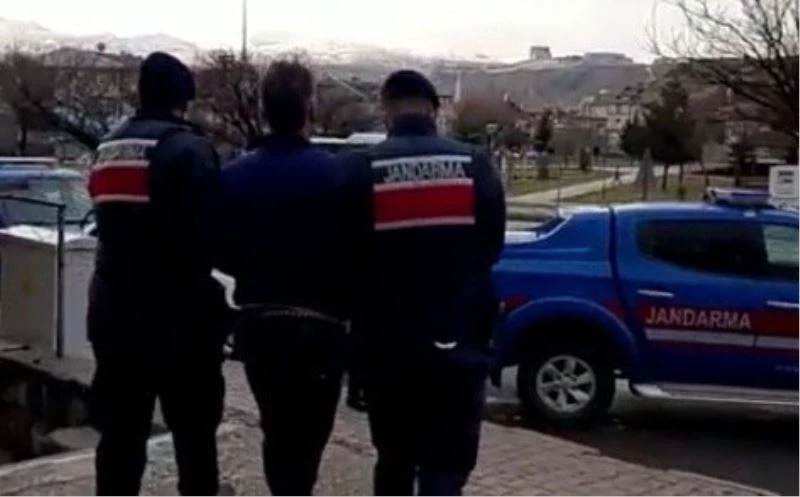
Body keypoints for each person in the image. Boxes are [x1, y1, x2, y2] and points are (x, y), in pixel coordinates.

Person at [339, 70, 506, 496]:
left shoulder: (361, 169)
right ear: (434, 110)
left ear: (386, 110)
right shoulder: (475, 165)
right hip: (458, 344)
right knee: (446, 466)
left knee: (394, 460)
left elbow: (347, 261)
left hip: (388, 350)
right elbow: (491, 247)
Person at [86, 52, 228, 496]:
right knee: (195, 438)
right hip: (178, 319)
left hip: (114, 313)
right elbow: (210, 234)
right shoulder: (188, 149)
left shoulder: (108, 148)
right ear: (182, 100)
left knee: (120, 438)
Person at [216, 58, 352, 496]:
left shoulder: (232, 178)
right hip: (322, 328)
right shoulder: (340, 176)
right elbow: (359, 251)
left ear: (262, 109)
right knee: (310, 436)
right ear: (310, 107)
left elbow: (219, 251)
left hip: (260, 327)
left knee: (276, 429)